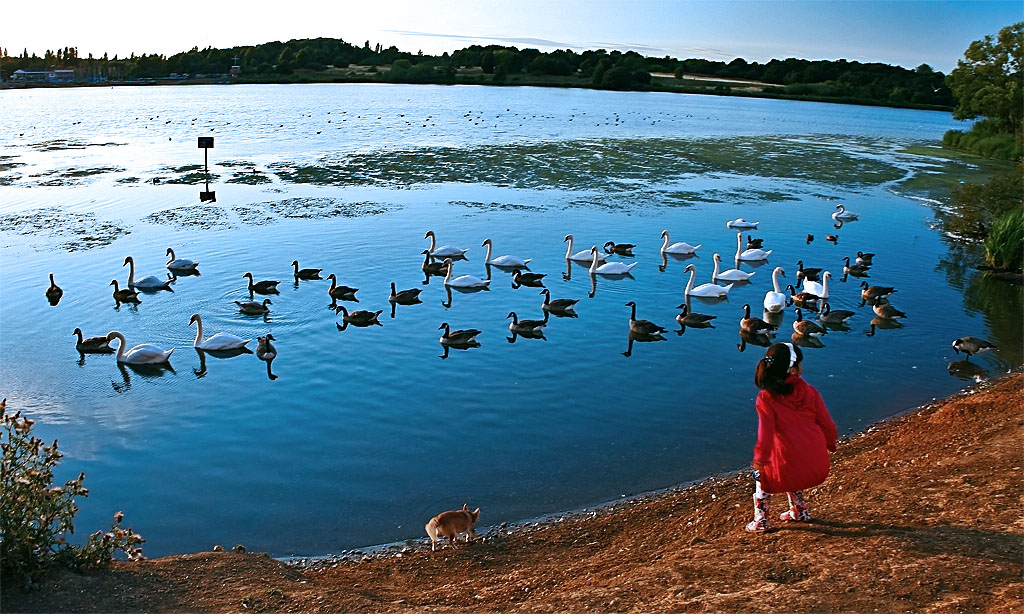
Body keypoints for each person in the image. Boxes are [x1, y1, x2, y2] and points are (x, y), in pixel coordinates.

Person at [746, 342, 837, 532]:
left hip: (789, 463)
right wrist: (830, 444)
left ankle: (761, 520)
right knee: (792, 461)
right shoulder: (810, 392)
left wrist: (760, 459)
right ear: (794, 369)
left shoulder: (766, 398)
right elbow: (827, 424)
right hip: (816, 463)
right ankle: (799, 510)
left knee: (762, 475)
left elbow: (766, 434)